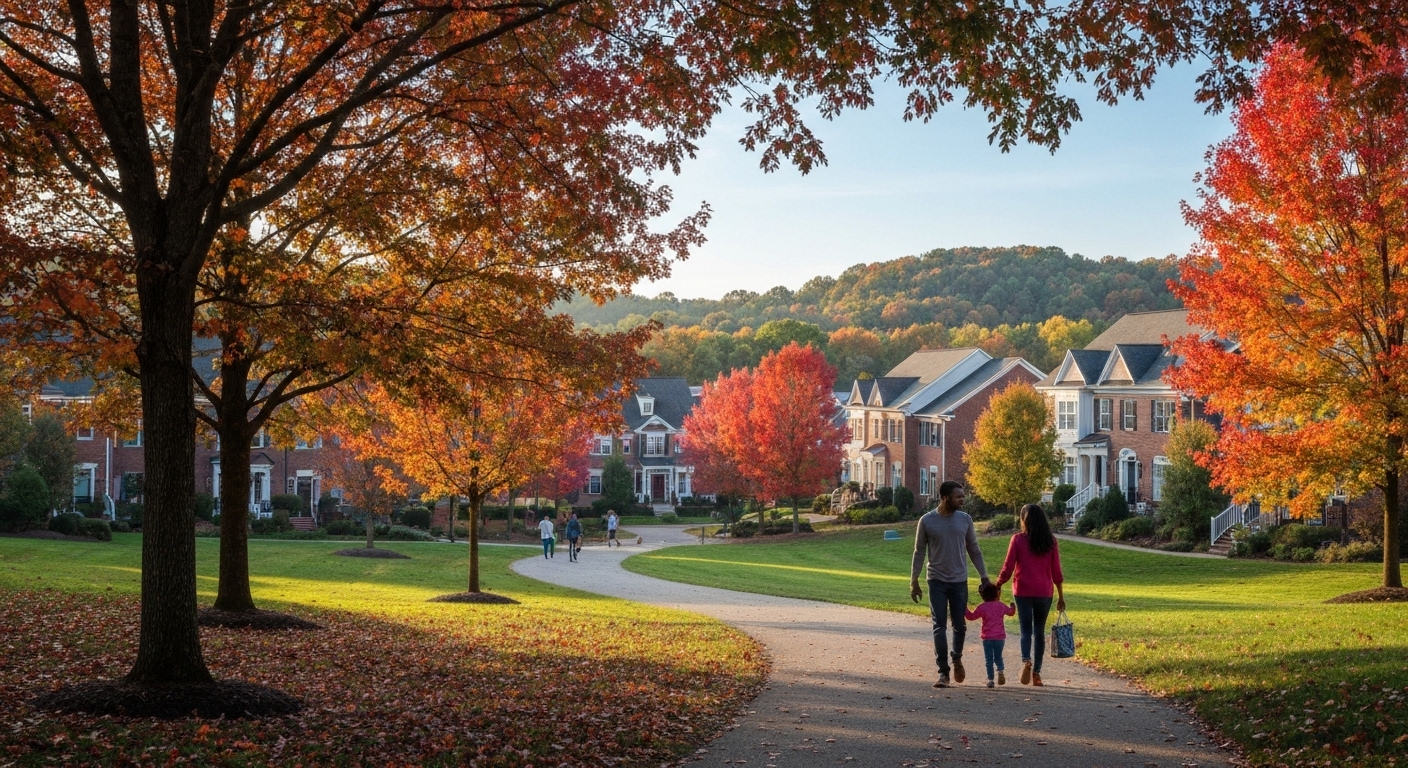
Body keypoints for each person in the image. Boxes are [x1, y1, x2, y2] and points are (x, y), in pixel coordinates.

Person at [910, 481, 990, 687]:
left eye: (963, 495)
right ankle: (943, 673)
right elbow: (919, 552)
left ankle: (956, 657)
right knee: (939, 626)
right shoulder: (927, 521)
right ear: (944, 497)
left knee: (960, 626)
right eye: (958, 496)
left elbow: (974, 549)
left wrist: (984, 576)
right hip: (936, 580)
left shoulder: (965, 520)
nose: (962, 499)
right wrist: (914, 580)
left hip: (959, 581)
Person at [995, 503, 1066, 687]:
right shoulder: (1050, 541)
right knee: (1039, 632)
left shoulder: (1018, 540)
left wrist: (999, 583)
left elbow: (1008, 566)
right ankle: (1037, 673)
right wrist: (1061, 596)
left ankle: (1026, 660)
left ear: (1024, 520)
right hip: (1044, 592)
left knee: (1026, 630)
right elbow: (1056, 571)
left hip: (1023, 591)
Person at [965, 581, 1016, 688]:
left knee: (989, 659)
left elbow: (971, 617)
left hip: (987, 637)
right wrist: (1013, 606)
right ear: (996, 594)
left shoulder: (982, 607)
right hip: (1000, 637)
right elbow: (1011, 612)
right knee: (998, 656)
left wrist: (964, 609)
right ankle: (1001, 671)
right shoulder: (1000, 606)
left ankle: (990, 679)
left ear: (983, 595)